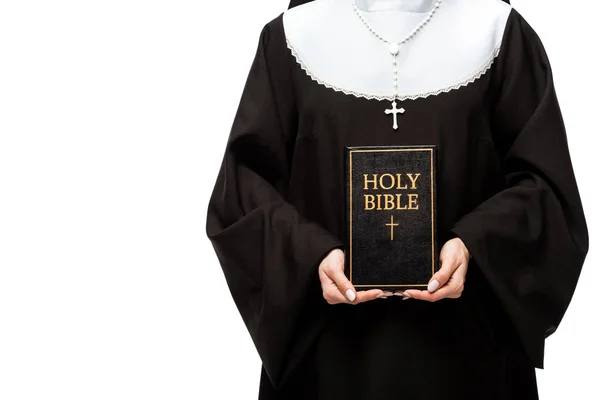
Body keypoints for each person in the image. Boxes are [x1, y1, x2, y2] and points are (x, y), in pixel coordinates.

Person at [205, 0, 589, 398]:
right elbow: (241, 192)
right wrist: (312, 254)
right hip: (329, 359)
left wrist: (473, 244)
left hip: (467, 355)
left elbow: (547, 189)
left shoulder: (497, 30)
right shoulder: (291, 36)